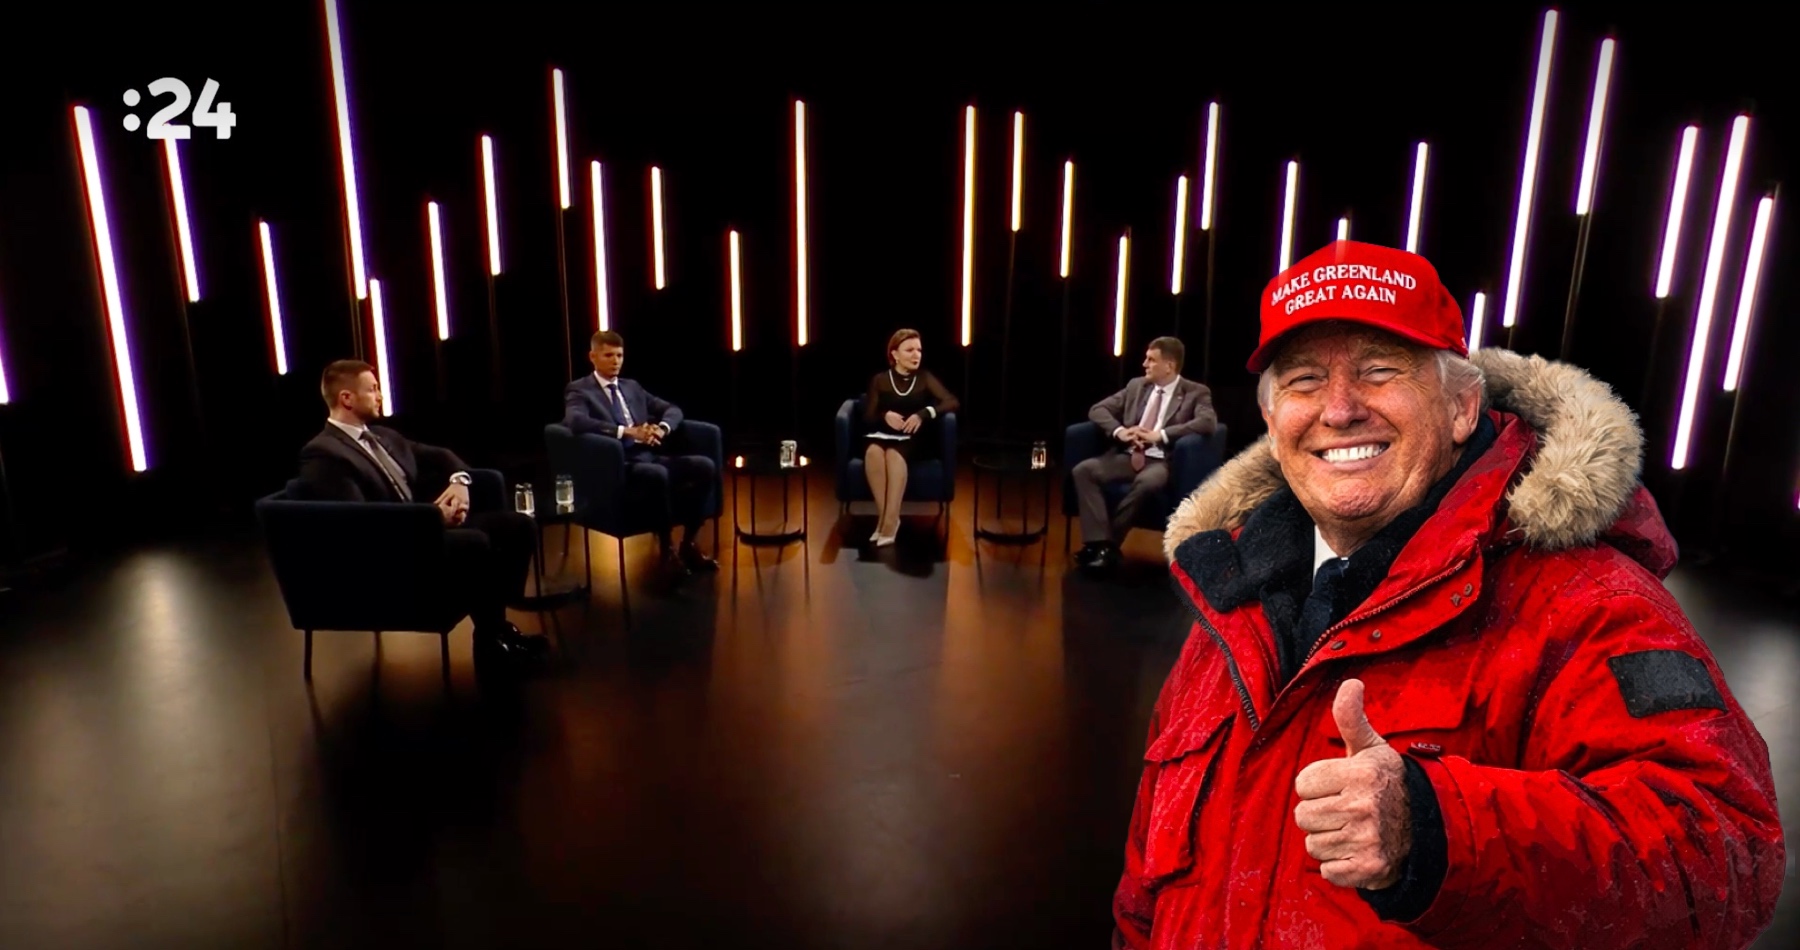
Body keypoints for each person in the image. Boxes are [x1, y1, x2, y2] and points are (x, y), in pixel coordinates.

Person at [1113, 241, 1783, 948]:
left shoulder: (1587, 601)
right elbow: (1144, 886)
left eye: (1379, 371)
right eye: (1305, 380)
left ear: (1463, 407)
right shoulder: (1231, 602)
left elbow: (1726, 856)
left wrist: (1439, 831)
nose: (1339, 410)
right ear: (1274, 425)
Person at [295, 360, 548, 663]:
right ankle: (491, 642)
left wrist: (459, 482)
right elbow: (357, 521)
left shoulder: (384, 435)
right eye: (373, 389)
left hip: (422, 529)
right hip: (389, 549)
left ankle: (495, 628)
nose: (380, 396)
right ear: (346, 398)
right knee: (475, 542)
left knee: (518, 527)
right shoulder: (323, 453)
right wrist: (432, 518)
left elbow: (441, 455)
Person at [563, 330, 719, 578]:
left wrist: (661, 428)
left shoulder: (632, 387)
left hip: (651, 454)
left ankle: (688, 543)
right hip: (619, 462)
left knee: (704, 466)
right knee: (657, 474)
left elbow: (672, 409)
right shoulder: (580, 390)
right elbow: (576, 421)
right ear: (593, 356)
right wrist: (626, 432)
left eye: (619, 355)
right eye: (609, 355)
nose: (615, 361)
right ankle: (667, 550)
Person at [1072, 336, 1216, 571]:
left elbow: (1208, 422)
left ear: (1169, 366)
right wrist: (1120, 431)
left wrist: (1161, 435)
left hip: (1160, 461)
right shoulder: (1136, 386)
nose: (1144, 364)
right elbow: (1098, 409)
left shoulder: (1195, 392)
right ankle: (1099, 543)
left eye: (1151, 360)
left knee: (1147, 483)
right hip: (1128, 455)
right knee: (1084, 470)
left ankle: (1108, 544)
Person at [861, 329, 958, 546]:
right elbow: (867, 415)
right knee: (873, 452)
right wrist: (884, 415)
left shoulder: (924, 378)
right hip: (885, 434)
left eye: (919, 350)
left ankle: (888, 524)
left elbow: (951, 401)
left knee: (893, 455)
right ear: (895, 354)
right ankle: (888, 519)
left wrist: (923, 413)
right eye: (910, 350)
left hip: (915, 439)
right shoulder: (880, 380)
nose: (916, 355)